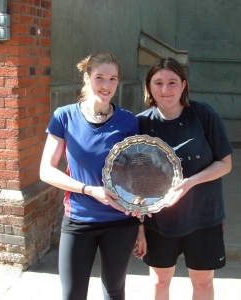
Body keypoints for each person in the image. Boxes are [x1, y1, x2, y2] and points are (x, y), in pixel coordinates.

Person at [39, 51, 146, 300]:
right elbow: (45, 170)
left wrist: (141, 227)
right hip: (79, 220)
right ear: (87, 78)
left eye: (113, 79)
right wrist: (89, 190)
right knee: (72, 294)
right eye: (100, 77)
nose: (106, 85)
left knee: (114, 291)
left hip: (121, 222)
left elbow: (137, 176)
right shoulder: (64, 117)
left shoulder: (129, 121)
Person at [136, 57, 233, 300]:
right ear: (149, 87)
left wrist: (190, 182)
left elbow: (225, 164)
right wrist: (138, 227)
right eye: (158, 83)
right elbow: (132, 181)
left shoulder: (203, 114)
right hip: (158, 221)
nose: (165, 89)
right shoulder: (141, 123)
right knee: (160, 280)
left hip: (203, 217)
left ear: (184, 85)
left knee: (202, 283)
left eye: (172, 82)